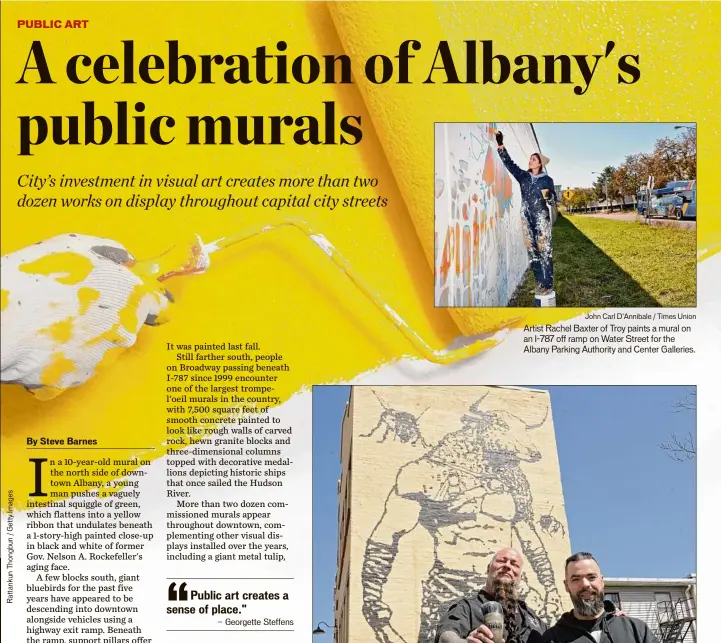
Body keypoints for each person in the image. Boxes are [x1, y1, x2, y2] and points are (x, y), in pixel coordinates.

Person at [435, 548, 548, 643]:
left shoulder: (533, 619)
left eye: (514, 564)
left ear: (520, 577)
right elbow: (446, 636)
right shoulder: (466, 607)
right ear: (489, 568)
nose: (507, 566)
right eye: (501, 561)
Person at [542, 552, 660, 643]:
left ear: (602, 582)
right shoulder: (551, 638)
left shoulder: (636, 630)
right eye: (576, 579)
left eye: (591, 577)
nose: (585, 584)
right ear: (567, 586)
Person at [494, 130, 556, 298]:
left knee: (545, 250)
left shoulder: (547, 180)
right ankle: (540, 283)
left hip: (541, 219)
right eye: (530, 158)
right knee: (532, 251)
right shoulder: (524, 177)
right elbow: (510, 164)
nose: (530, 160)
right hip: (526, 219)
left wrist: (549, 196)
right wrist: (500, 145)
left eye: (534, 159)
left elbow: (552, 201)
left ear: (539, 164)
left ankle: (548, 284)